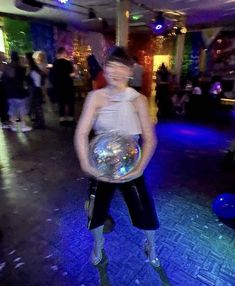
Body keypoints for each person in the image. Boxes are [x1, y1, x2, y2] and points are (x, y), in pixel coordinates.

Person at [74, 46, 159, 267]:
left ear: (131, 72)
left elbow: (150, 139)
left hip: (131, 165)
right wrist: (86, 163)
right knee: (96, 209)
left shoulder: (138, 100)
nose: (116, 71)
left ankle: (151, 244)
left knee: (144, 208)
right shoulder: (95, 97)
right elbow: (82, 133)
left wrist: (139, 169)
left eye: (122, 67)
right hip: (101, 165)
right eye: (112, 66)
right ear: (105, 69)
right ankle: (98, 244)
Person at [2, 51, 31, 132]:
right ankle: (22, 125)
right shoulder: (21, 68)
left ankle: (14, 125)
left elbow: (4, 80)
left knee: (13, 109)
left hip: (10, 93)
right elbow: (26, 79)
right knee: (22, 109)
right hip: (19, 92)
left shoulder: (7, 68)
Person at [51, 47, 75, 125]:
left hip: (59, 86)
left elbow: (53, 76)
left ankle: (62, 119)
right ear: (63, 53)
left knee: (61, 103)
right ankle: (70, 118)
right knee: (70, 102)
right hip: (68, 85)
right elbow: (71, 74)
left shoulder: (55, 63)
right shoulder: (68, 63)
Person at [26, 52, 45, 129]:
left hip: (34, 89)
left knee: (36, 106)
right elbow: (42, 76)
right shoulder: (35, 67)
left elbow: (29, 78)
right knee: (37, 106)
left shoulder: (31, 68)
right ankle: (39, 122)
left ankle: (40, 123)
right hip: (37, 88)